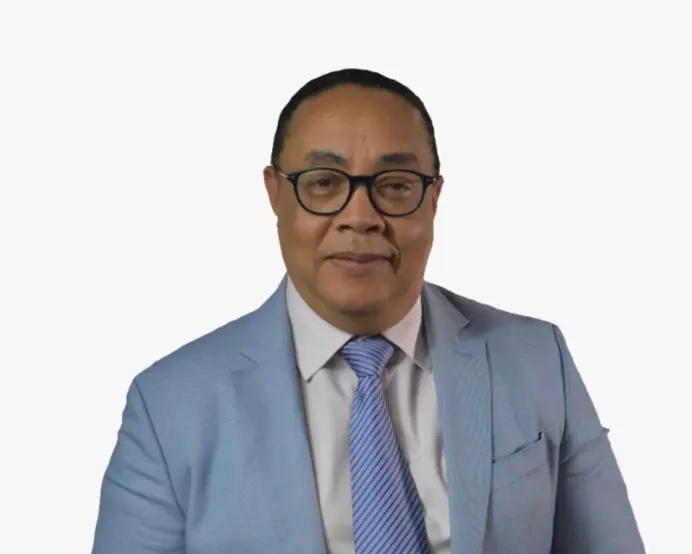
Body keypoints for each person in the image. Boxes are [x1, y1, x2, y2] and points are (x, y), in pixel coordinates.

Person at [91, 68, 645, 554]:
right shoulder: (169, 405)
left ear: (434, 199)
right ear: (275, 194)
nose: (360, 217)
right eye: (323, 183)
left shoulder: (537, 359)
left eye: (396, 185)